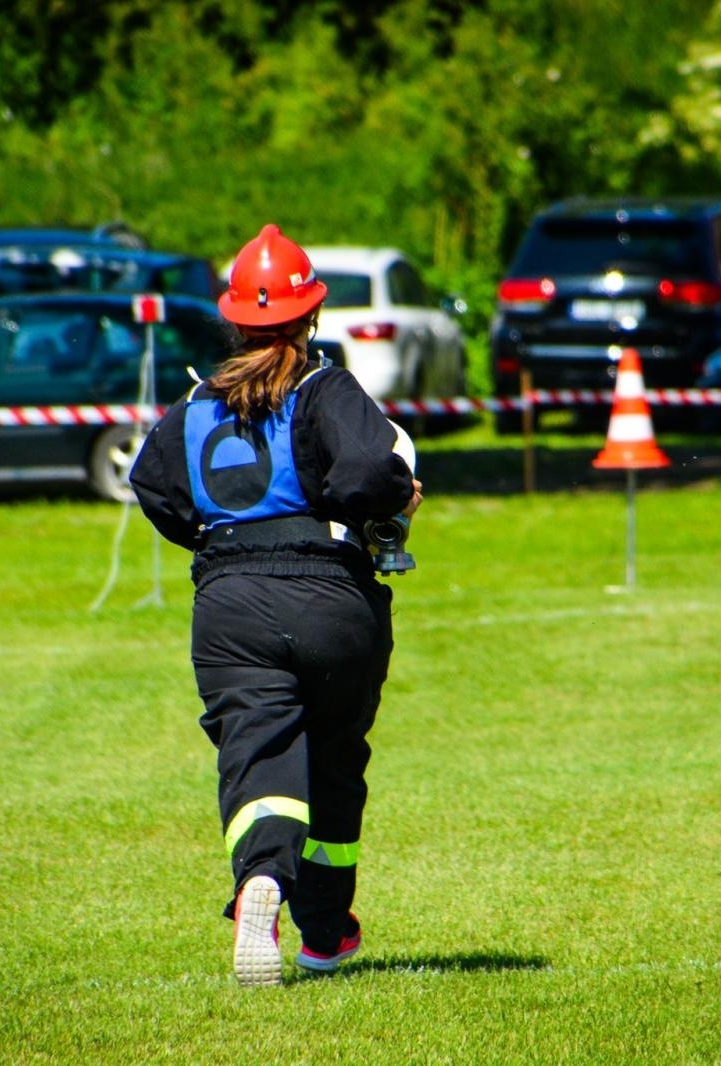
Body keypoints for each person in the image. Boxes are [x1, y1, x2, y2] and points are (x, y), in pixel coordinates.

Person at [129, 223, 421, 988]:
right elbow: (371, 469)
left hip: (228, 604)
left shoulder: (196, 402)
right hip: (330, 597)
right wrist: (396, 498)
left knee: (258, 753)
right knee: (333, 762)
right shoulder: (326, 388)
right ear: (311, 315)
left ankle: (260, 879)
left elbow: (153, 484)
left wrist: (217, 545)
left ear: (233, 320)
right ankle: (324, 934)